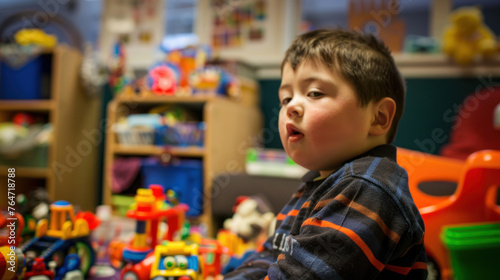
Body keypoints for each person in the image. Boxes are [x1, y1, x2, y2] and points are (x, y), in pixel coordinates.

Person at [224, 29, 427, 279]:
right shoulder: (315, 184)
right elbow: (270, 255)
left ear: (379, 117)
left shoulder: (368, 189)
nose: (292, 107)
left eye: (315, 93)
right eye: (286, 98)